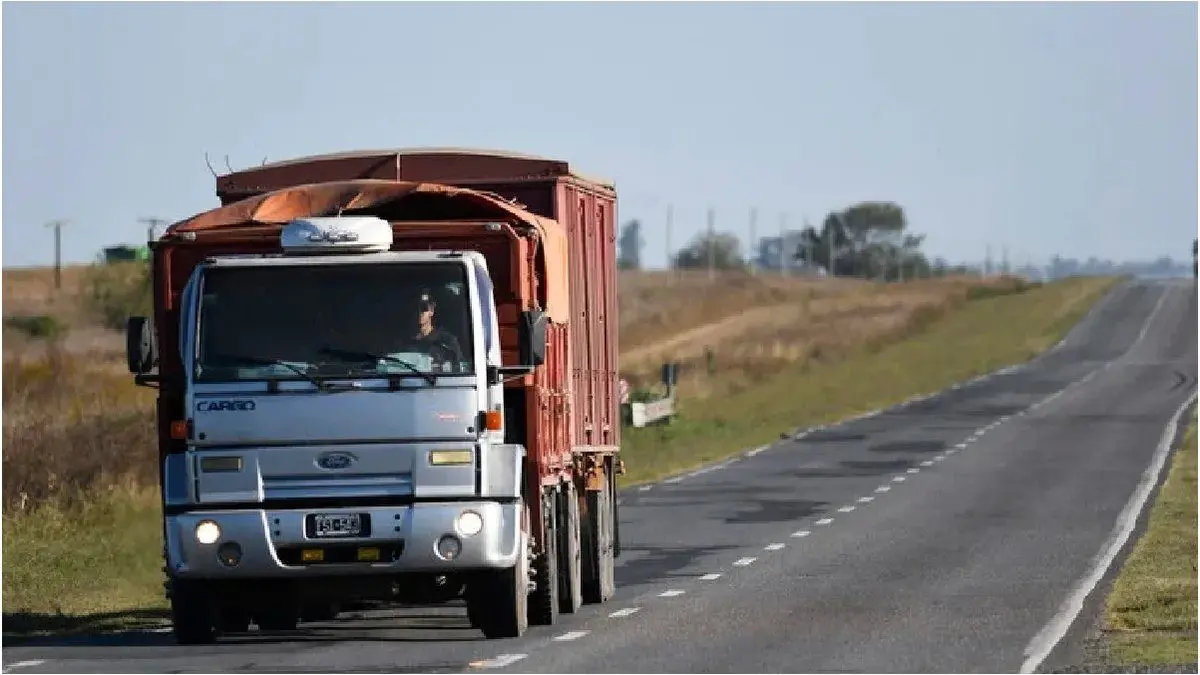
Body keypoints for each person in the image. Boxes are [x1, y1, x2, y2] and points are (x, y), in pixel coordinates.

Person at [400, 288, 465, 372]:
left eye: (423, 308)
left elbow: (459, 372)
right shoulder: (403, 343)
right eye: (415, 308)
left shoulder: (448, 342)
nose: (419, 312)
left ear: (431, 311)